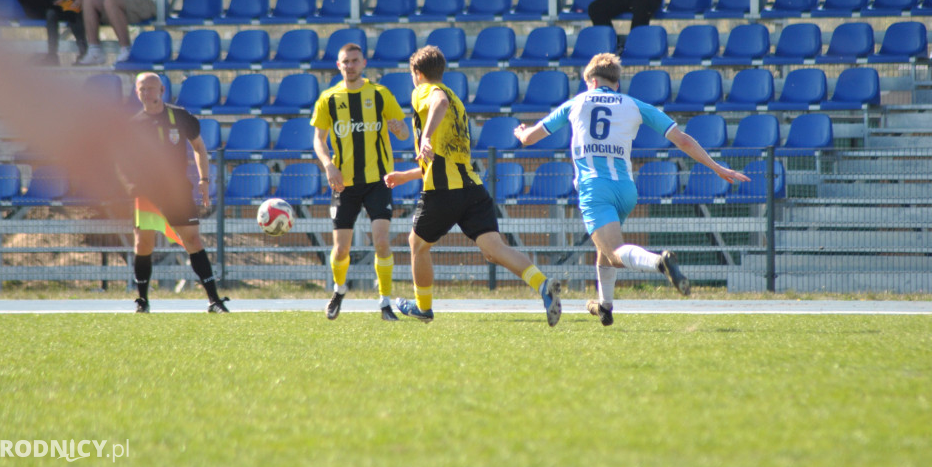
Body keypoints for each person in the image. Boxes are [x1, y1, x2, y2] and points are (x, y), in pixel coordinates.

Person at [513, 53, 750, 326]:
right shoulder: (634, 104)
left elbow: (530, 139)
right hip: (625, 190)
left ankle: (659, 263)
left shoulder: (576, 103)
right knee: (603, 251)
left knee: (614, 251)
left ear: (590, 81)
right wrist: (718, 168)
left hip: (595, 187)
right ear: (615, 83)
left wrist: (520, 132)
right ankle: (605, 307)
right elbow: (682, 140)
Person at [383, 45, 562, 326]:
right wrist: (406, 176)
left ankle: (423, 307)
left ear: (417, 73)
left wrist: (426, 136)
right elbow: (446, 157)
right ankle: (543, 285)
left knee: (416, 244)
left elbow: (437, 102)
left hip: (443, 192)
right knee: (494, 249)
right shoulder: (457, 99)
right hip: (472, 189)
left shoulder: (425, 91)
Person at [312, 43, 410, 321]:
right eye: (346, 62)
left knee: (381, 241)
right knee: (341, 249)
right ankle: (339, 289)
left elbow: (403, 134)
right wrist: (329, 165)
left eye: (355, 61)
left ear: (363, 63)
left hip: (378, 181)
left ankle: (385, 302)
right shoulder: (328, 98)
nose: (351, 65)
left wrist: (400, 128)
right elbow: (318, 139)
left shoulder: (380, 94)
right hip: (344, 183)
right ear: (338, 65)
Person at [127, 72, 229, 313]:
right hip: (147, 192)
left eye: (151, 88)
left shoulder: (179, 116)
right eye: (142, 89)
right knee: (144, 244)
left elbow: (199, 147)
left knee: (192, 240)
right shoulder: (132, 125)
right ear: (136, 92)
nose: (146, 93)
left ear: (162, 90)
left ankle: (214, 299)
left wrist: (204, 179)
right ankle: (142, 300)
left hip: (177, 190)